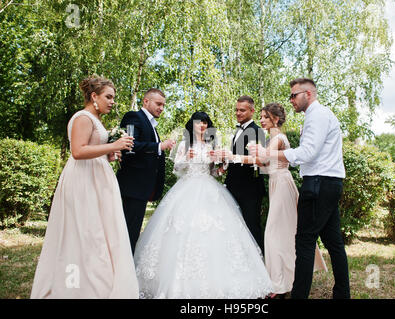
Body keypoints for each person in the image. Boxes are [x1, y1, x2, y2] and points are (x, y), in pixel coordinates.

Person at [133, 112, 273, 299]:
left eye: (205, 123)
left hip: (209, 188)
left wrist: (220, 167)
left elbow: (214, 173)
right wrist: (186, 159)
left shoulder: (212, 144)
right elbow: (177, 169)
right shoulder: (185, 144)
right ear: (192, 125)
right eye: (198, 123)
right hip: (187, 188)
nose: (202, 126)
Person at [31, 75, 138, 298]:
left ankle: (99, 282)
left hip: (96, 179)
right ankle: (80, 287)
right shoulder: (83, 117)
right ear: (93, 96)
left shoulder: (95, 119)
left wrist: (108, 153)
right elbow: (78, 151)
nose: (112, 102)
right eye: (108, 97)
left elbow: (90, 149)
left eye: (113, 98)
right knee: (85, 232)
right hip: (83, 181)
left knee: (97, 231)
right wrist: (114, 144)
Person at [249, 78, 350, 299]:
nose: (291, 100)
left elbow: (307, 153)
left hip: (319, 183)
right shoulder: (318, 116)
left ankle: (299, 296)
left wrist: (269, 154)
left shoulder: (317, 116)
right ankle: (342, 294)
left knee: (304, 241)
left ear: (309, 94)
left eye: (294, 95)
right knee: (334, 242)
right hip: (328, 183)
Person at [257, 103, 328, 299]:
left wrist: (252, 149)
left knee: (273, 232)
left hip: (281, 183)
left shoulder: (278, 137)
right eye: (261, 116)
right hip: (275, 184)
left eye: (265, 117)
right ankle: (287, 280)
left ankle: (278, 284)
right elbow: (262, 162)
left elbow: (263, 156)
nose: (261, 120)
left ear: (276, 120)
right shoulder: (272, 138)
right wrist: (233, 157)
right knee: (284, 232)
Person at [116, 88, 175, 254]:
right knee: (129, 230)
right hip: (133, 186)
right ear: (146, 101)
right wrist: (159, 146)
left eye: (163, 105)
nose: (161, 108)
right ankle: (124, 268)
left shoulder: (151, 125)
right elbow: (129, 146)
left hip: (143, 188)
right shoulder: (134, 117)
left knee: (133, 230)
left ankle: (127, 266)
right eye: (158, 104)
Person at [222, 96, 266, 251]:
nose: (238, 113)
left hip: (250, 189)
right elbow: (235, 157)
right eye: (236, 110)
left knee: (252, 226)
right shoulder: (237, 131)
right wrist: (224, 161)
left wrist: (231, 157)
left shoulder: (257, 130)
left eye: (242, 110)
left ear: (252, 111)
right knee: (234, 226)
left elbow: (260, 160)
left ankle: (260, 261)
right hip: (234, 187)